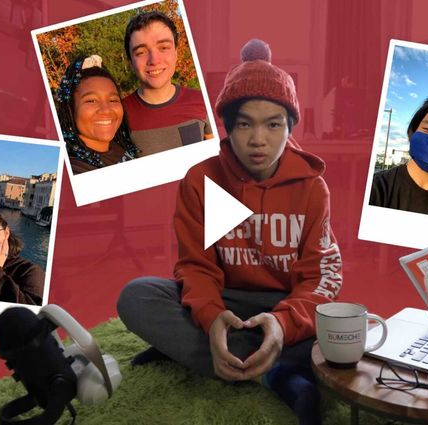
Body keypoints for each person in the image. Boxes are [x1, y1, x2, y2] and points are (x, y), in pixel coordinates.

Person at [118, 39, 342, 425]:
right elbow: (195, 267)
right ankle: (273, 373)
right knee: (136, 296)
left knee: (349, 331)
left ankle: (188, 350)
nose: (258, 139)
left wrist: (283, 324)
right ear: (227, 127)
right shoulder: (200, 180)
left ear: (289, 127)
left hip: (281, 304)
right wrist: (210, 315)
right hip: (226, 299)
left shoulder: (311, 187)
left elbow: (320, 278)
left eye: (273, 124)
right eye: (244, 124)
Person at [122, 11, 213, 156]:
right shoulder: (118, 115)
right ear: (130, 62)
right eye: (141, 52)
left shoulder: (203, 101)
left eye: (164, 47)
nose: (154, 60)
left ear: (176, 52)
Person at [56, 54, 140, 174]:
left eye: (113, 100)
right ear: (70, 109)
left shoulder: (119, 144)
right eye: (91, 101)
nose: (106, 110)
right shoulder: (76, 169)